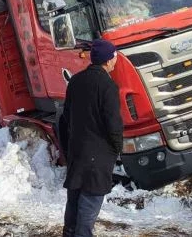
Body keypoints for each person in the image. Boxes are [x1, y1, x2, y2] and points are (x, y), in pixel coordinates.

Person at [58, 39, 124, 237]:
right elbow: (113, 124)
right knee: (89, 205)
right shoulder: (108, 86)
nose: (115, 61)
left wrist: (68, 148)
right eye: (114, 57)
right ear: (108, 60)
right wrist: (116, 148)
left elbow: (65, 118)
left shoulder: (76, 81)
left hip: (77, 153)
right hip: (98, 157)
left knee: (74, 200)